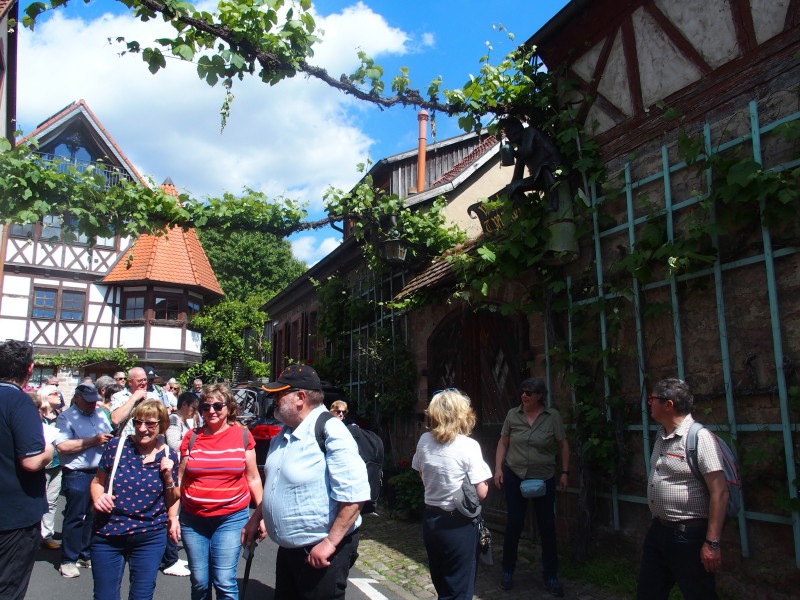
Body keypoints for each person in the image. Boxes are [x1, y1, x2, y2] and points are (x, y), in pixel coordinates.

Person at [242, 364, 370, 600]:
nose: (274, 400)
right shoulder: (285, 432)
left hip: (320, 552)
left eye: (279, 394)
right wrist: (256, 518)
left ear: (300, 397)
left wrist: (329, 544)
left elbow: (355, 495)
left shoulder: (331, 430)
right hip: (290, 550)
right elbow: (276, 484)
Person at [636, 379, 729, 600]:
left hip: (688, 535)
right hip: (659, 529)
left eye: (652, 399)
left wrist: (712, 542)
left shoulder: (700, 438)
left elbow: (720, 492)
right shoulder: (662, 434)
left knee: (699, 594)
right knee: (648, 592)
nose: (649, 403)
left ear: (668, 405)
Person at [176, 383, 262, 599]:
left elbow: (253, 478)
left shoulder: (243, 435)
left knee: (224, 580)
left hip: (230, 518)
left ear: (229, 407)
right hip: (193, 520)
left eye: (217, 406)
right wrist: (172, 516)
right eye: (206, 407)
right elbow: (180, 479)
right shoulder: (192, 437)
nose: (211, 411)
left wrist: (260, 516)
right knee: (199, 581)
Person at [89, 400, 180, 599]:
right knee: (104, 596)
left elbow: (173, 498)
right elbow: (97, 482)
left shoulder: (169, 455)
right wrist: (98, 498)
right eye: (138, 422)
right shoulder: (116, 446)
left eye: (150, 424)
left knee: (142, 595)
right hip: (109, 531)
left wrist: (168, 477)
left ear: (162, 425)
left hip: (149, 535)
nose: (142, 428)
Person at [412, 389, 492, 600]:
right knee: (459, 588)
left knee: (442, 584)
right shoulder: (468, 445)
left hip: (432, 521)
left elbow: (421, 473)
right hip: (459, 524)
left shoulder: (424, 441)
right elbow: (482, 492)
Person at [494, 377, 569, 597]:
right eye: (522, 392)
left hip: (543, 476)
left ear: (539, 396)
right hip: (515, 475)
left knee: (546, 526)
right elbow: (503, 442)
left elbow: (563, 445)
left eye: (529, 393)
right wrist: (498, 468)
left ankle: (551, 575)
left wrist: (565, 472)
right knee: (514, 523)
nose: (524, 396)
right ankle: (507, 570)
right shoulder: (512, 415)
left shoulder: (552, 417)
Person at [0, 339, 54, 599]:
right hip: (14, 514)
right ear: (29, 369)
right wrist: (49, 451)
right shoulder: (19, 401)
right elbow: (31, 461)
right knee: (8, 586)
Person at [55, 382, 114, 578]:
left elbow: (108, 433)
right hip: (77, 472)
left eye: (94, 401)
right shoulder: (66, 417)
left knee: (93, 515)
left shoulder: (99, 413)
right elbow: (62, 446)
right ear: (77, 398)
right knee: (75, 516)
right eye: (88, 401)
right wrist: (93, 441)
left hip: (98, 472)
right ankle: (68, 559)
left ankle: (84, 553)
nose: (92, 405)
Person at [160, 391, 199, 578]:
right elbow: (174, 444)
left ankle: (171, 555)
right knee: (172, 513)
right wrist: (196, 443)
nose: (195, 411)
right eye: (193, 408)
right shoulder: (174, 421)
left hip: (179, 469)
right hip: (172, 470)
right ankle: (169, 559)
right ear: (184, 405)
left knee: (175, 513)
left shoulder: (184, 422)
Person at [36, 385, 63, 550]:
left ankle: (46, 535)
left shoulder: (60, 416)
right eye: (54, 393)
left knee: (52, 501)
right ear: (45, 396)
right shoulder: (36, 415)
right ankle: (33, 534)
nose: (59, 395)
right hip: (40, 463)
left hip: (57, 463)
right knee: (38, 499)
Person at [110, 367, 167, 435]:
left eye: (145, 379)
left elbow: (163, 420)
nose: (144, 383)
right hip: (126, 439)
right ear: (130, 382)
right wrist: (133, 398)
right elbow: (115, 420)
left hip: (148, 438)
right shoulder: (118, 396)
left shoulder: (153, 397)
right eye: (140, 380)